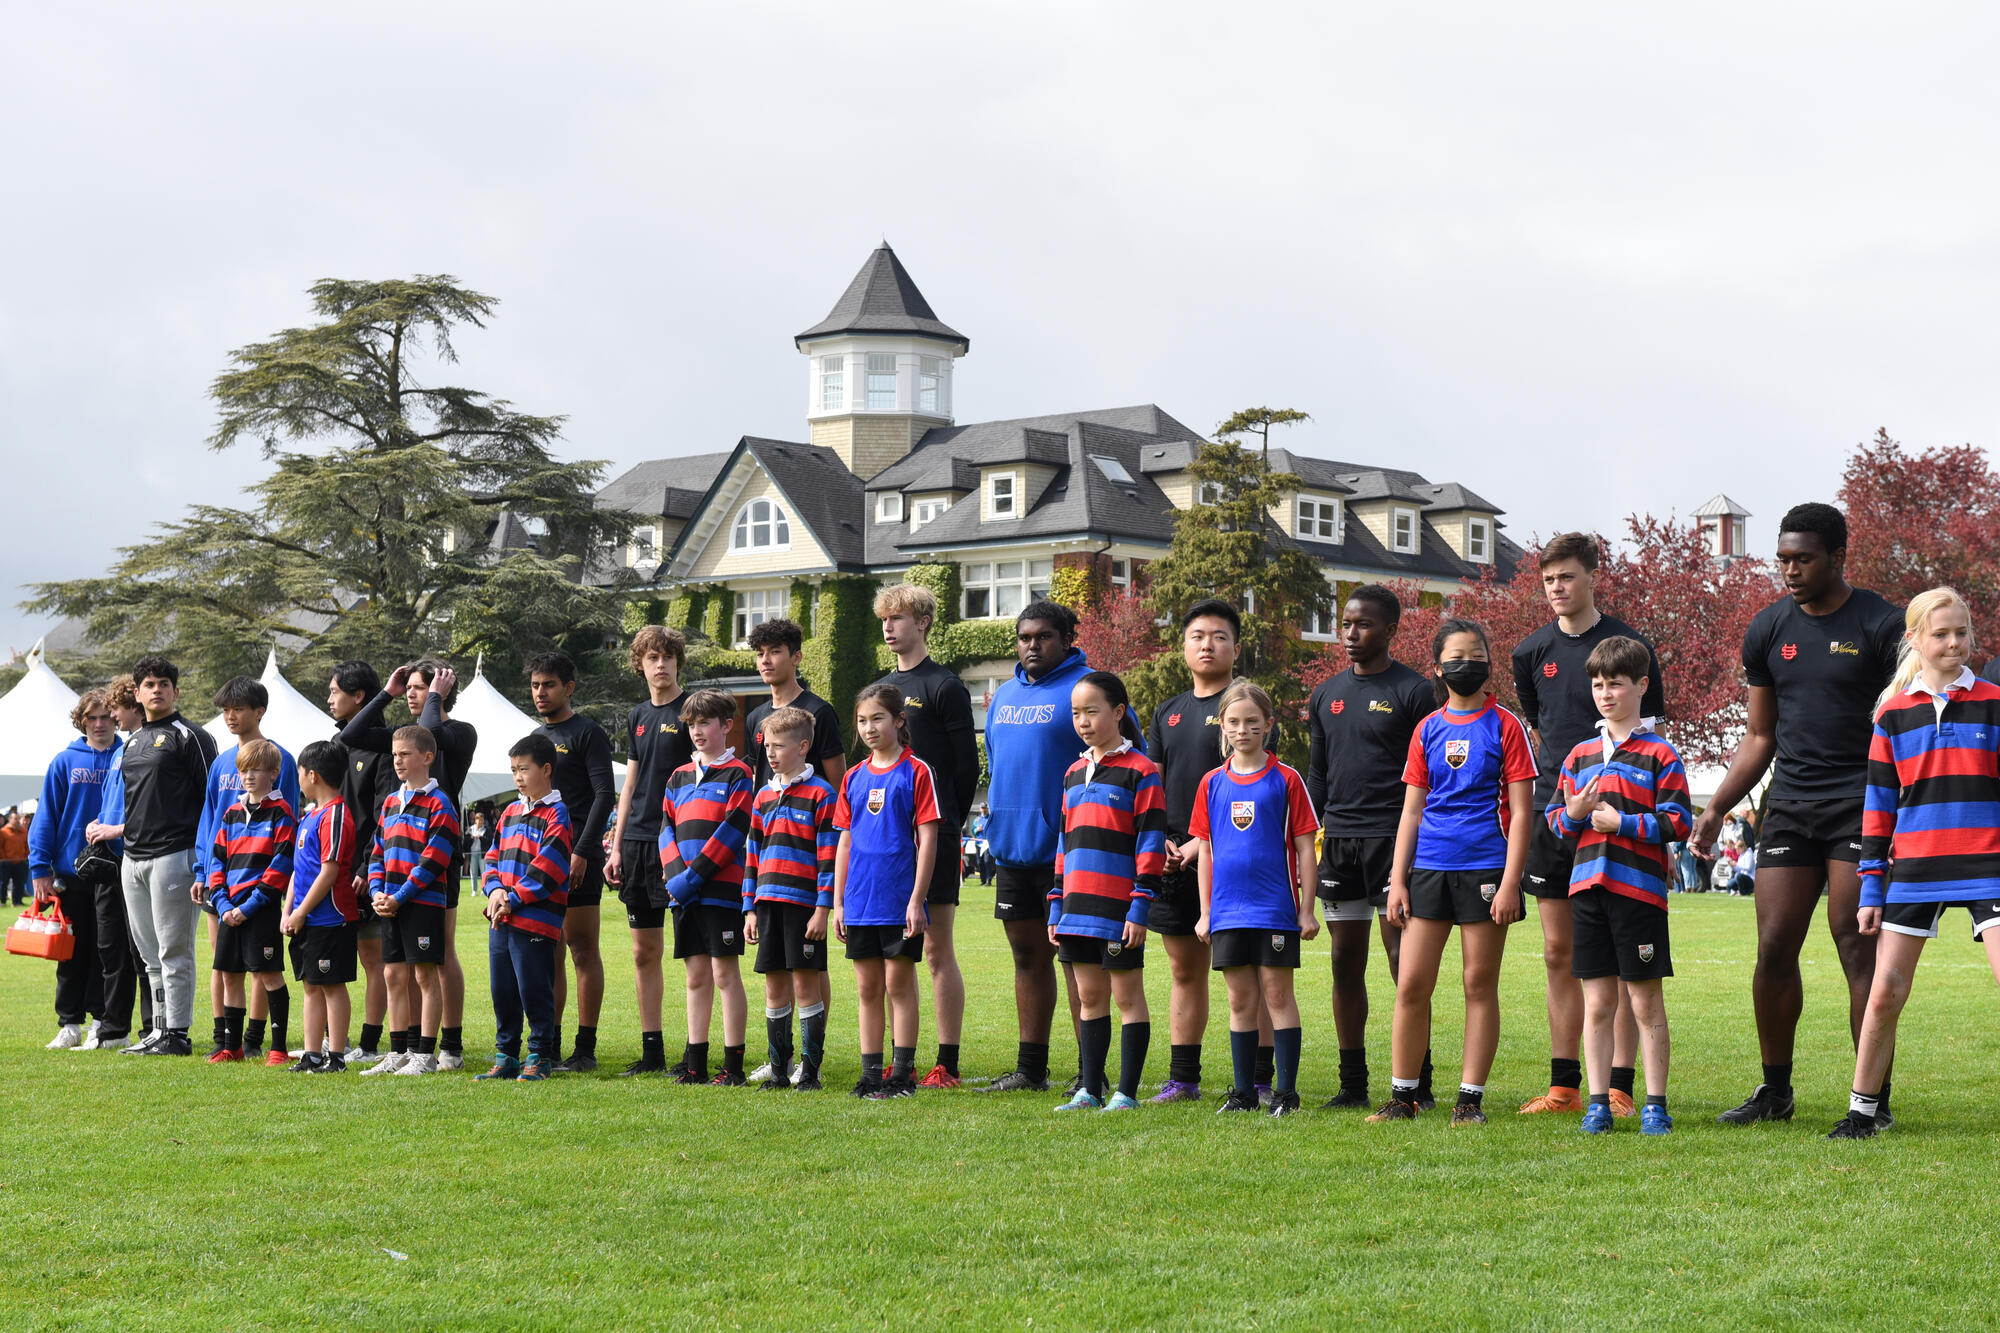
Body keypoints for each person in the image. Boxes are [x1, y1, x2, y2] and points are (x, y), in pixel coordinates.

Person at [1690, 503, 1903, 1126]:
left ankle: (1872, 1101)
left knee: (1852, 943)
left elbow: (1907, 721)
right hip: (1789, 807)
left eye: (1803, 559)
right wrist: (1717, 809)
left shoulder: (1882, 625)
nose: (1789, 569)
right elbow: (1759, 737)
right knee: (1775, 947)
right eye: (1782, 558)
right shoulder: (1767, 628)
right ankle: (1775, 1093)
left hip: (1860, 809)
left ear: (1838, 557)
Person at [1831, 588, 2000, 1138]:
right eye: (1941, 633)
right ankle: (1862, 1113)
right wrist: (1871, 891)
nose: (1955, 643)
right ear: (1915, 640)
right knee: (1884, 993)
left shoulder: (1996, 702)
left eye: (1962, 632)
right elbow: (1877, 811)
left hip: (1989, 866)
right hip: (1916, 870)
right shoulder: (1892, 717)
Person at [1512, 533, 1665, 1118]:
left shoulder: (1628, 646)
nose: (1558, 588)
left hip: (1623, 827)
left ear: (1592, 577)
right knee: (1559, 952)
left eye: (1568, 577)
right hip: (1562, 815)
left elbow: (1648, 738)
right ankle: (1565, 1086)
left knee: (1626, 962)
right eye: (1549, 579)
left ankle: (1622, 1087)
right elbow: (1543, 725)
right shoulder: (1531, 652)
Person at [1370, 620, 1535, 1125]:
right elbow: (1412, 812)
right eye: (1457, 657)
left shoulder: (1506, 726)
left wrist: (1510, 884)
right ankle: (1403, 1097)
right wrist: (1398, 879)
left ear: (1489, 664)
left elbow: (1524, 813)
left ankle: (1470, 1101)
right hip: (1427, 871)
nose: (1469, 664)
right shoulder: (1427, 728)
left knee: (1478, 984)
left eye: (1478, 655)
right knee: (1411, 984)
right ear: (1438, 668)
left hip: (1486, 869)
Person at [1545, 636, 1689, 1136]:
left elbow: (1678, 823)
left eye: (1617, 684)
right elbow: (1556, 823)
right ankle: (1598, 1104)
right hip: (1587, 894)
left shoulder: (1660, 754)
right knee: (1598, 1004)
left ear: (1641, 686)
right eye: (1598, 684)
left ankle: (1654, 1104)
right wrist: (1576, 813)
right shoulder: (1579, 754)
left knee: (1646, 1003)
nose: (1605, 693)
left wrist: (1622, 825)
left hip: (1640, 895)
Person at [1305, 584, 1438, 1110]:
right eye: (1345, 624)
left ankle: (1418, 1084)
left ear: (1391, 630)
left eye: (1363, 625)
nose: (1350, 634)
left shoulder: (1414, 691)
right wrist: (1306, 830)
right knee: (1343, 961)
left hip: (1393, 843)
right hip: (1337, 842)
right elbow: (1317, 773)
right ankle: (1352, 1083)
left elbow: (1424, 779)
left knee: (1400, 961)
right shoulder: (1325, 694)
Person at [1146, 598, 1268, 1104]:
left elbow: (1253, 787)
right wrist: (1166, 846)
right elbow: (1151, 787)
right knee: (1183, 970)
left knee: (1250, 974)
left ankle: (1259, 1080)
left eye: (1218, 636)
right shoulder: (1168, 712)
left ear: (1235, 648)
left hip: (1233, 858)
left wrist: (1202, 843)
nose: (1207, 644)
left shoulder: (1244, 711)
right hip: (1174, 859)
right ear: (1183, 647)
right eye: (1197, 636)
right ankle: (1184, 1079)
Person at [981, 600, 1099, 1095]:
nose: (1033, 645)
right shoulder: (1003, 696)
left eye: (1044, 636)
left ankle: (1089, 1073)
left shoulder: (1089, 689)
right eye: (1025, 637)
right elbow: (997, 761)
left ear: (1068, 638)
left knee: (1075, 959)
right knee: (1027, 956)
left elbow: (1122, 757)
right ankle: (1031, 1070)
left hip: (1072, 851)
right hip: (1014, 849)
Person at [1193, 679, 1320, 1117]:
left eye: (1251, 721)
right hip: (1228, 912)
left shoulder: (1286, 780)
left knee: (1278, 998)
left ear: (1268, 724)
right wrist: (1206, 912)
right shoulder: (1210, 783)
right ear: (1222, 726)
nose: (1242, 730)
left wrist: (1306, 910)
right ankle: (1244, 1093)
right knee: (1240, 1002)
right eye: (1233, 722)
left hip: (1276, 910)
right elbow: (1205, 851)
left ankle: (1286, 1094)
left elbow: (1305, 847)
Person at [874, 584, 978, 1090]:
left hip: (935, 833)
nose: (890, 627)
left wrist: (944, 823)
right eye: (885, 620)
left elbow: (964, 766)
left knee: (936, 949)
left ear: (924, 622)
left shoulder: (945, 686)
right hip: (887, 842)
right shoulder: (882, 688)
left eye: (899, 618)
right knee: (897, 952)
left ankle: (948, 1062)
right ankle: (902, 1060)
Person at [743, 618, 847, 1082]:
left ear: (796, 656)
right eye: (759, 653)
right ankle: (780, 1063)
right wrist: (748, 905)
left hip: (806, 897)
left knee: (806, 978)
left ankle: (811, 1065)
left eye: (775, 651)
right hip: (767, 899)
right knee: (774, 981)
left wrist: (826, 904)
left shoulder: (819, 714)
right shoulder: (757, 731)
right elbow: (753, 846)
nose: (766, 661)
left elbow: (837, 793)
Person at [832, 684, 941, 1100]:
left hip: (898, 901)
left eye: (877, 718)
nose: (869, 727)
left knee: (898, 985)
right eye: (861, 720)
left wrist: (917, 899)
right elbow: (844, 841)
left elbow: (928, 839)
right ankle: (870, 1074)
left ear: (898, 721)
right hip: (859, 902)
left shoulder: (916, 772)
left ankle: (902, 1075)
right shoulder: (853, 777)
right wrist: (839, 902)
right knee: (867, 989)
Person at [116, 655, 219, 1057]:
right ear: (138, 693)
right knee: (148, 953)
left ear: (176, 691)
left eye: (164, 683)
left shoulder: (190, 736)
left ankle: (178, 1033)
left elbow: (213, 801)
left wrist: (206, 861)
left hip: (175, 854)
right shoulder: (134, 740)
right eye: (149, 684)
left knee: (174, 949)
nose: (156, 689)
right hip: (133, 857)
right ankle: (158, 1031)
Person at [195, 676, 300, 1063]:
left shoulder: (281, 760)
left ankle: (265, 1041)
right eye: (225, 710)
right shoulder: (222, 765)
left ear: (259, 711)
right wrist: (204, 875)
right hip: (224, 891)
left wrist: (256, 900)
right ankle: (227, 1042)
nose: (230, 716)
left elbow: (283, 846)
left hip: (261, 896)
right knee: (226, 968)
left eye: (237, 708)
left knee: (264, 970)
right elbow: (211, 823)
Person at [606, 625, 693, 1076]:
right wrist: (616, 845)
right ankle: (653, 1051)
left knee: (693, 953)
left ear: (678, 661)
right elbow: (631, 785)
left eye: (667, 657)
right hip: (637, 843)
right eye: (652, 658)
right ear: (639, 664)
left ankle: (695, 1051)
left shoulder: (692, 711)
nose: (660, 665)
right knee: (644, 953)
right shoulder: (637, 713)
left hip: (678, 843)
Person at [527, 651, 618, 1072]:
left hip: (579, 854)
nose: (540, 692)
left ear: (569, 688)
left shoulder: (587, 733)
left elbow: (604, 794)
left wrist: (582, 851)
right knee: (550, 950)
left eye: (548, 684)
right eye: (535, 685)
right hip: (542, 856)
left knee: (581, 948)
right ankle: (548, 1044)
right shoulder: (535, 738)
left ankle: (585, 1049)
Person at [659, 687, 755, 1084]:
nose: (697, 731)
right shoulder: (678, 776)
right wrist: (675, 878)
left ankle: (732, 1066)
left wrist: (691, 879)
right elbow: (665, 829)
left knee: (724, 975)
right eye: (692, 724)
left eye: (705, 723)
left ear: (726, 726)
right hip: (683, 892)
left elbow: (733, 831)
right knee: (695, 976)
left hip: (719, 892)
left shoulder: (740, 774)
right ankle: (695, 1063)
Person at [358, 725, 460, 1077]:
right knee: (392, 975)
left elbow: (434, 860)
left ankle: (425, 1055)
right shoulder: (390, 802)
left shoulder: (440, 803)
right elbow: (377, 853)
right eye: (395, 754)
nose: (397, 761)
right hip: (390, 903)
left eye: (405, 754)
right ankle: (398, 1051)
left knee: (425, 977)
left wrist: (399, 896)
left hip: (421, 903)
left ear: (427, 758)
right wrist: (376, 893)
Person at [476, 734, 574, 1083]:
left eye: (524, 769)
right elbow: (491, 856)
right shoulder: (510, 812)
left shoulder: (557, 814)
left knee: (534, 989)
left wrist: (512, 897)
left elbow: (549, 868)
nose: (518, 777)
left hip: (535, 920)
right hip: (501, 919)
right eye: (513, 770)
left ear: (546, 770)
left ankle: (539, 1056)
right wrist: (494, 890)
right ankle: (506, 1056)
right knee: (502, 990)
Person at [29, 689, 121, 1050]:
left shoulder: (127, 755)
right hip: (71, 872)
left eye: (105, 717)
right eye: (91, 718)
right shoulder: (64, 761)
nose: (99, 724)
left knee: (108, 951)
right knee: (70, 951)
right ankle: (69, 1024)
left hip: (115, 870)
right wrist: (40, 868)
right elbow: (46, 816)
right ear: (82, 721)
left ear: (116, 718)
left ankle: (101, 1021)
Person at [399, 658, 478, 1070]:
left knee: (442, 954)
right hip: (402, 858)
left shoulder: (459, 733)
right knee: (413, 963)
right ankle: (414, 1045)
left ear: (443, 690)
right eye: (410, 688)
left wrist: (435, 697)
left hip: (439, 854)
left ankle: (451, 1045)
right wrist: (388, 691)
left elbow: (432, 730)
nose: (411, 694)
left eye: (419, 688)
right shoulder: (409, 737)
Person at [330, 660, 399, 1063]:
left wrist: (363, 868)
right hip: (329, 871)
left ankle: (370, 1044)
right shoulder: (335, 745)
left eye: (335, 691)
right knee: (329, 954)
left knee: (372, 958)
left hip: (363, 873)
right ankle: (326, 1038)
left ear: (359, 697)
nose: (329, 699)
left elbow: (382, 816)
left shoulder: (384, 749)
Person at [279, 740, 358, 1072]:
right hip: (306, 918)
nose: (297, 779)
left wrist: (301, 911)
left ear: (312, 774)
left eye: (298, 773)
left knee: (331, 984)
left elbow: (330, 870)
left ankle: (336, 1055)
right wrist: (289, 909)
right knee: (311, 984)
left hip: (330, 917)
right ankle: (312, 1054)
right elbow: (300, 868)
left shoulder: (336, 813)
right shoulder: (310, 815)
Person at [84, 674, 150, 1044]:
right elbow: (116, 803)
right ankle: (113, 1030)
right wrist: (100, 823)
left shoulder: (144, 749)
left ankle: (151, 1028)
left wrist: (115, 830)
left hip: (137, 857)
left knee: (141, 950)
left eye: (115, 708)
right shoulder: (121, 750)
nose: (110, 715)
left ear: (134, 708)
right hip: (110, 862)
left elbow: (152, 810)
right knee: (110, 948)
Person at [0, 809, 29, 906]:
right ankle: (2, 901)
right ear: (9, 819)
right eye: (15, 819)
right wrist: (4, 858)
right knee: (4, 882)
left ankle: (17, 901)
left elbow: (27, 845)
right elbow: (0, 846)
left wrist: (26, 856)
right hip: (6, 862)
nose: (17, 820)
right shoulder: (3, 832)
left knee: (19, 883)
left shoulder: (24, 831)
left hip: (20, 861)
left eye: (18, 818)